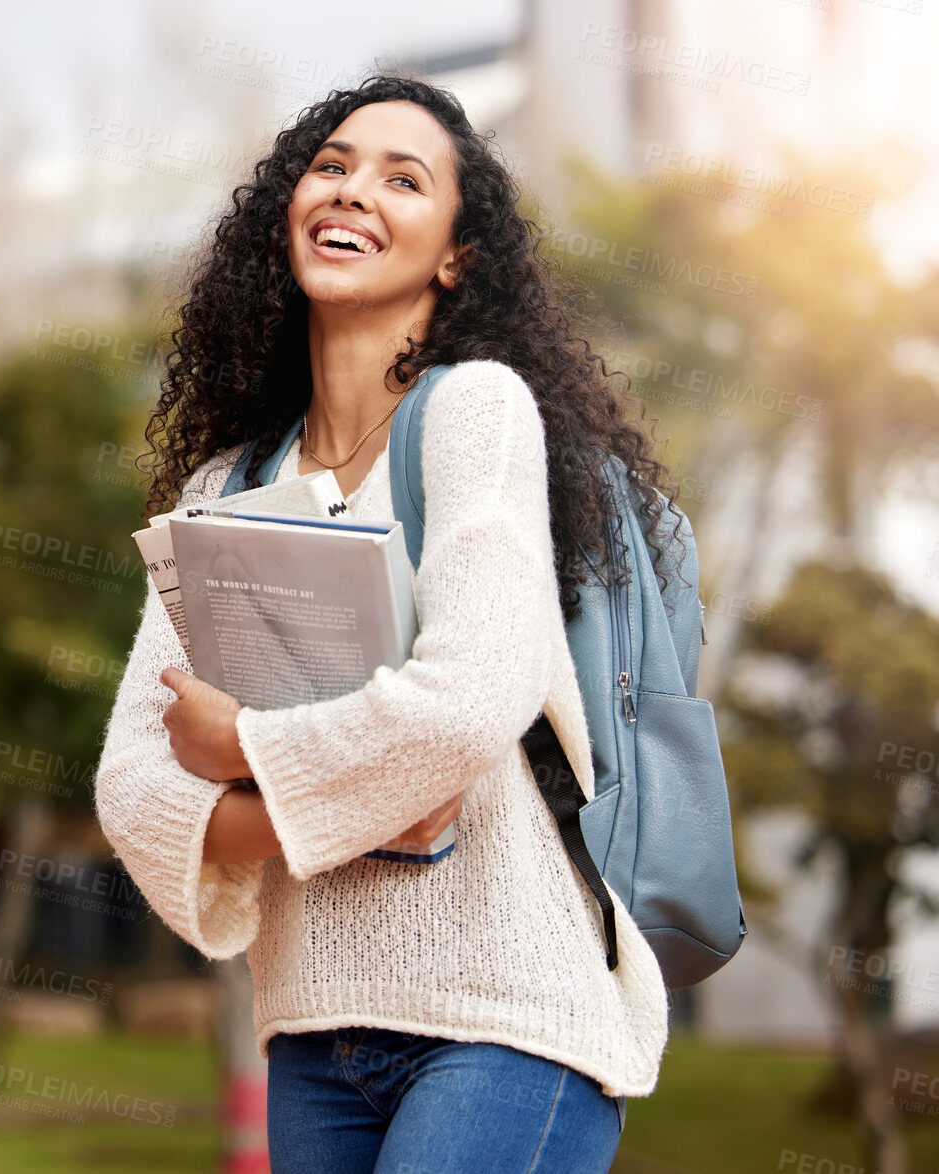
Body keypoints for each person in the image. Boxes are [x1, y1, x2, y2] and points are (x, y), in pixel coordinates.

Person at [94, 74, 687, 1172]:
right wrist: (365, 807)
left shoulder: (474, 411)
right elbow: (131, 785)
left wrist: (241, 755)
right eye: (331, 167)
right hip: (313, 1030)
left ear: (455, 256)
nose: (352, 189)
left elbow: (472, 700)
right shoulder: (228, 482)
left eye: (402, 180)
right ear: (286, 214)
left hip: (508, 1017)